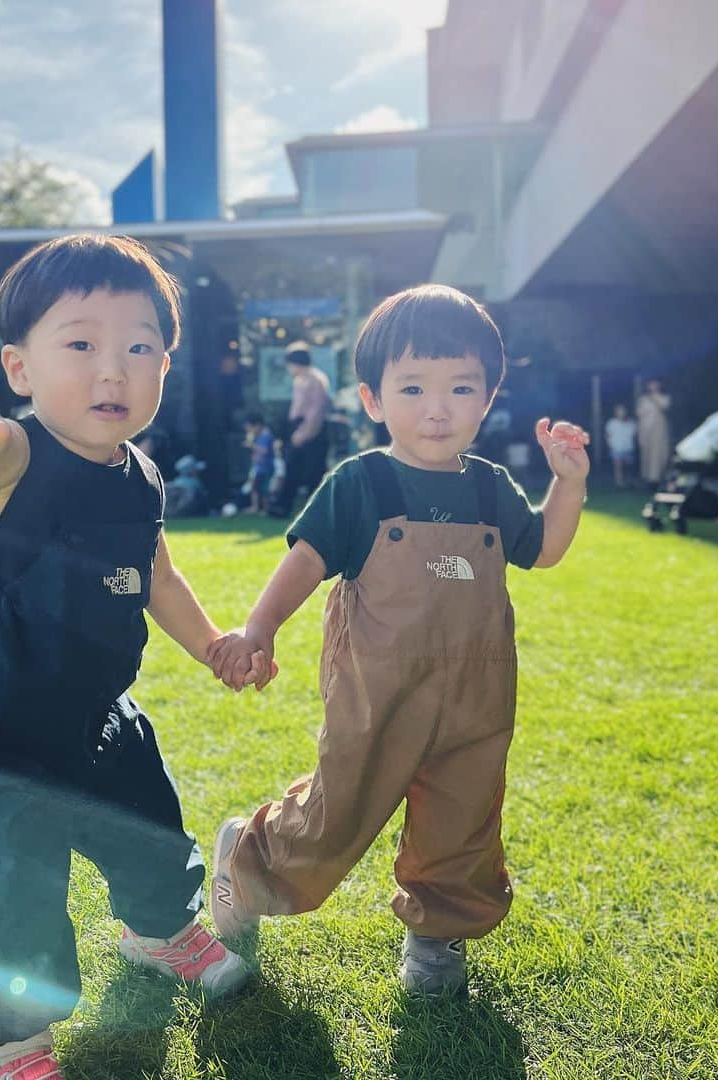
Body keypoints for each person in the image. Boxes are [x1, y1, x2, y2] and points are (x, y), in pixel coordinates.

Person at [0, 234, 270, 1080]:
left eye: (141, 347)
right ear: (19, 369)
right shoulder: (17, 460)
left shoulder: (142, 476)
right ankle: (8, 1040)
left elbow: (156, 569)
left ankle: (160, 934)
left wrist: (209, 644)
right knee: (20, 894)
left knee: (153, 833)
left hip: (94, 712)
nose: (114, 370)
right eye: (81, 344)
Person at [207, 284, 590, 997]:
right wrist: (258, 628)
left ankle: (435, 936)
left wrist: (567, 486)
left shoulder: (492, 489)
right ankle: (250, 858)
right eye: (413, 387)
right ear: (373, 399)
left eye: (460, 387)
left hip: (476, 690)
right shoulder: (363, 482)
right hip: (377, 686)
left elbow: (543, 550)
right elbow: (306, 560)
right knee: (338, 811)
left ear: (487, 397)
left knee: (463, 819)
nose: (437, 407)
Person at [272, 341, 331, 517]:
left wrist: (304, 432)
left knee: (313, 472)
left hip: (310, 429)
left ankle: (316, 510)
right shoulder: (302, 379)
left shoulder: (314, 380)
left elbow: (316, 409)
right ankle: (284, 507)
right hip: (300, 427)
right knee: (294, 470)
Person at [636, 378, 672, 486]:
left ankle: (656, 479)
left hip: (659, 430)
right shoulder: (643, 399)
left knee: (658, 454)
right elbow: (639, 413)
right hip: (646, 430)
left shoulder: (664, 397)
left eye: (655, 384)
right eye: (651, 384)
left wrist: (654, 397)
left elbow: (664, 406)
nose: (653, 386)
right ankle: (647, 479)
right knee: (646, 454)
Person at [243, 412, 274, 514]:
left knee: (264, 490)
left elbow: (264, 451)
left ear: (257, 425)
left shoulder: (266, 435)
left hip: (266, 468)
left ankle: (266, 509)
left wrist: (251, 445)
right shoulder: (259, 436)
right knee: (255, 488)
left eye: (250, 427)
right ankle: (255, 507)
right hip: (258, 467)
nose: (249, 430)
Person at [604, 403, 638, 488]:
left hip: (628, 448)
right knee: (618, 467)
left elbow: (635, 435)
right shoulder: (611, 423)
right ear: (616, 412)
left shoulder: (631, 423)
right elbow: (608, 435)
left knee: (628, 467)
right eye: (619, 411)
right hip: (616, 448)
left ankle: (629, 482)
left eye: (622, 411)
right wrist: (610, 445)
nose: (621, 413)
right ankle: (619, 483)